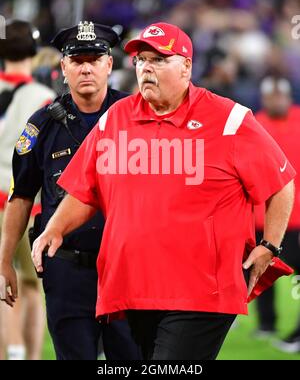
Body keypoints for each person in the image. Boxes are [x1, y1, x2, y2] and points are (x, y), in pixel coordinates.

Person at [31, 22, 295, 360]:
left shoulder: (229, 120)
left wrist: (269, 245)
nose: (147, 68)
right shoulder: (115, 119)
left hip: (202, 289)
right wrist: (54, 229)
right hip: (134, 287)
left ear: (186, 66)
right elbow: (85, 189)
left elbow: (281, 181)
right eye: (141, 60)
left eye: (159, 60)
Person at [0, 20, 140, 360]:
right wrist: (4, 261)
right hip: (67, 271)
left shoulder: (137, 118)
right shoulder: (42, 124)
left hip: (127, 269)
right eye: (77, 61)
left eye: (95, 59)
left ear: (109, 64)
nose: (86, 68)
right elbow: (21, 196)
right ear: (63, 67)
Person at [0, 19, 55, 360]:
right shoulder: (44, 97)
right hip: (25, 200)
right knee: (33, 286)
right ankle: (29, 356)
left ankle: (10, 352)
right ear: (34, 52)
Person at [254, 76, 300, 352]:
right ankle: (266, 324)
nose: (276, 101)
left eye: (280, 96)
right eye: (271, 97)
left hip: (296, 220)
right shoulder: (255, 124)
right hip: (263, 217)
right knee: (259, 273)